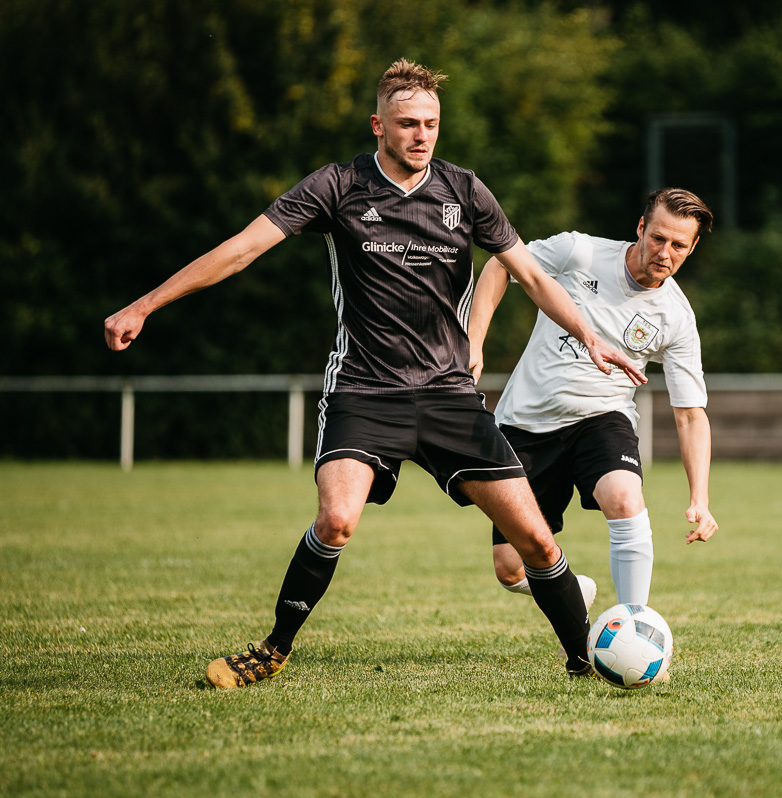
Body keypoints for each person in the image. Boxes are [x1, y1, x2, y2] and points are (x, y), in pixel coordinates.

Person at [103, 59, 645, 688]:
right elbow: (242, 249)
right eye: (408, 123)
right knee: (336, 520)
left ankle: (584, 660)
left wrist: (588, 335)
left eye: (432, 124)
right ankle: (274, 649)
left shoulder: (465, 191)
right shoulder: (338, 185)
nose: (422, 135)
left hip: (448, 395)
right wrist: (144, 305)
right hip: (364, 391)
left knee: (538, 543)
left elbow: (530, 274)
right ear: (378, 125)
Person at [467, 188, 719, 624]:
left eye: (679, 245)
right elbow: (500, 263)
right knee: (510, 569)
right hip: (525, 424)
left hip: (602, 418)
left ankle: (635, 625)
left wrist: (701, 496)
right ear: (641, 227)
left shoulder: (675, 317)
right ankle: (574, 589)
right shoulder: (579, 253)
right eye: (658, 238)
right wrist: (474, 343)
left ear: (692, 247)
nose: (665, 252)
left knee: (624, 497)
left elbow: (690, 413)